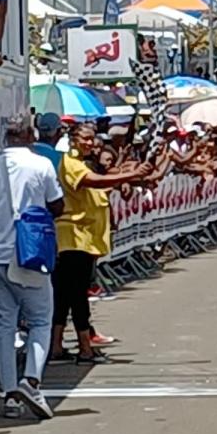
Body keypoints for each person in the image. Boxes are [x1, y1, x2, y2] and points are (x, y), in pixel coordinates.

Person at [0, 117, 64, 420]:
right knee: (40, 320)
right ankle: (32, 381)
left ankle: (10, 395)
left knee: (3, 326)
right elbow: (57, 206)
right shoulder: (41, 165)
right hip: (29, 254)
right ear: (29, 135)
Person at [50, 123, 151, 365]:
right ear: (73, 140)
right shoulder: (71, 164)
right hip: (73, 238)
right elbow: (93, 182)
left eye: (92, 138)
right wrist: (130, 174)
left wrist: (137, 175)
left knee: (65, 295)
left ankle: (56, 347)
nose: (90, 142)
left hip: (84, 238)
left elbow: (104, 186)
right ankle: (84, 347)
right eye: (85, 138)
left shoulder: (82, 164)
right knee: (76, 295)